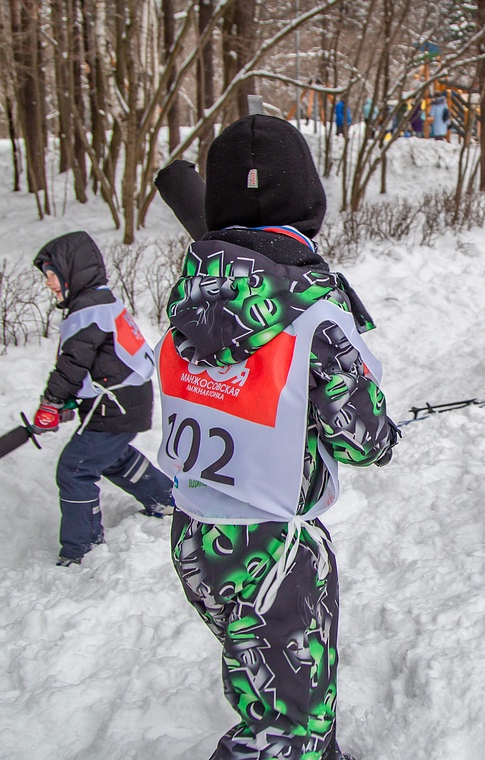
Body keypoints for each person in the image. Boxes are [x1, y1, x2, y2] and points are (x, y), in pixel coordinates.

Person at [158, 114, 399, 760]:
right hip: (276, 550)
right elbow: (365, 440)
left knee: (267, 685)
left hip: (195, 537)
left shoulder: (194, 300)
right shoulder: (315, 311)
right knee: (288, 726)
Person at [31, 231, 174, 567]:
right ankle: (166, 498)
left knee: (75, 469)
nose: (50, 284)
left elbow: (72, 364)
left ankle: (82, 548)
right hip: (125, 399)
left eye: (52, 275)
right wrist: (71, 400)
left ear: (71, 271)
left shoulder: (87, 312)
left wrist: (51, 403)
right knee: (110, 456)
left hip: (116, 403)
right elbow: (99, 362)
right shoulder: (99, 301)